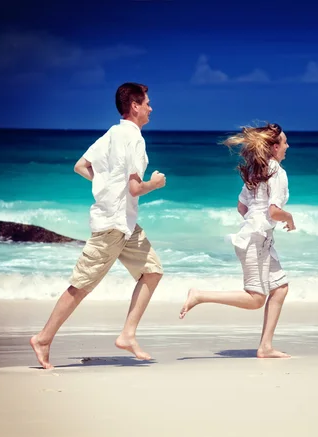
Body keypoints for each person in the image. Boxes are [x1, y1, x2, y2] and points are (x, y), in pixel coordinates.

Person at [30, 82, 166, 369]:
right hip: (113, 226)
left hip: (124, 224)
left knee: (152, 271)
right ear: (135, 106)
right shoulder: (135, 139)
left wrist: (106, 186)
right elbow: (134, 188)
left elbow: (81, 166)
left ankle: (127, 334)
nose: (151, 108)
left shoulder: (112, 133)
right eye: (147, 103)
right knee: (81, 285)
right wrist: (154, 184)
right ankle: (43, 338)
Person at [179, 122, 295, 358]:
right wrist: (289, 218)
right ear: (274, 148)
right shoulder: (278, 173)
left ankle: (265, 347)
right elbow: (274, 211)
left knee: (280, 288)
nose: (288, 145)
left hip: (257, 238)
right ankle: (200, 295)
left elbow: (242, 207)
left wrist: (256, 222)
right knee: (255, 300)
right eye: (284, 142)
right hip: (256, 240)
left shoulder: (257, 172)